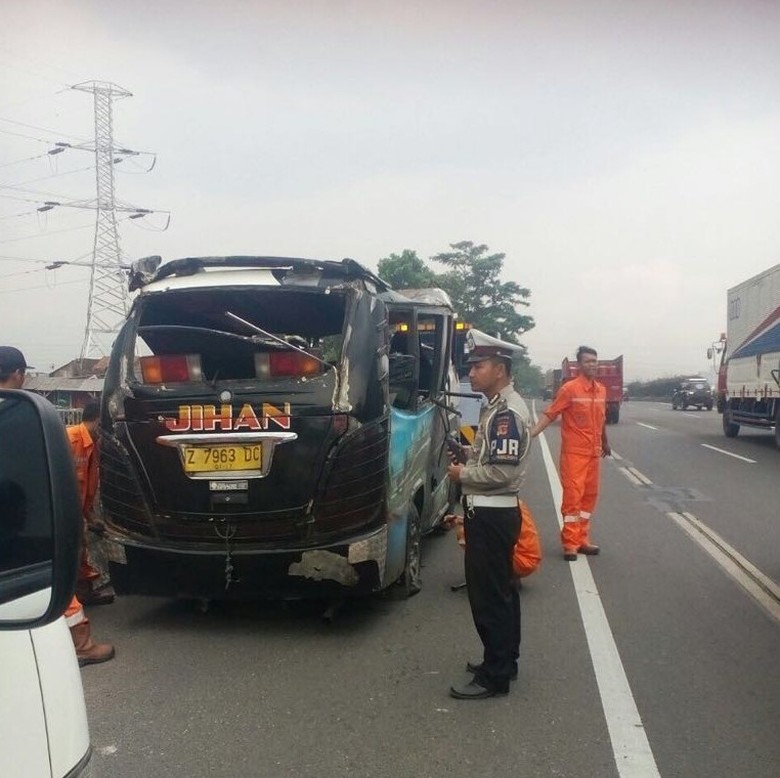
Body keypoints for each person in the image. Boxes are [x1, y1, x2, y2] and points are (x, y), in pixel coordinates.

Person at [0, 346, 115, 666]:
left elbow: (85, 486)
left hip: (53, 513)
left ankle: (85, 589)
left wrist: (88, 517)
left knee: (72, 557)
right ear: (20, 374)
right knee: (50, 574)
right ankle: (80, 642)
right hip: (32, 518)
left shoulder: (20, 415)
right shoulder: (29, 417)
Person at [446, 330, 531, 700]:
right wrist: (468, 457)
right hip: (495, 514)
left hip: (492, 516)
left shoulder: (506, 413)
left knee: (489, 598)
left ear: (500, 369)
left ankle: (494, 676)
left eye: (479, 366)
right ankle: (502, 661)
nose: (473, 373)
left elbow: (502, 473)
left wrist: (462, 474)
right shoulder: (497, 407)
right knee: (502, 593)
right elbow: (494, 461)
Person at [530, 345, 611, 561]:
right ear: (579, 365)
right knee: (573, 498)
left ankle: (582, 539)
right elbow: (550, 414)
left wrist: (605, 441)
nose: (592, 364)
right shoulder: (570, 389)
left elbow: (601, 419)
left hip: (594, 453)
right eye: (588, 361)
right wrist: (531, 434)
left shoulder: (601, 390)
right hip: (574, 454)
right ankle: (570, 543)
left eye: (595, 361)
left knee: (588, 498)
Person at [66, 401, 115, 605]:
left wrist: (91, 518)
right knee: (73, 552)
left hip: (76, 512)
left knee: (81, 549)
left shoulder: (92, 446)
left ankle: (83, 593)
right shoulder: (69, 439)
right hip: (64, 511)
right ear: (97, 422)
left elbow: (86, 487)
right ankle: (72, 598)